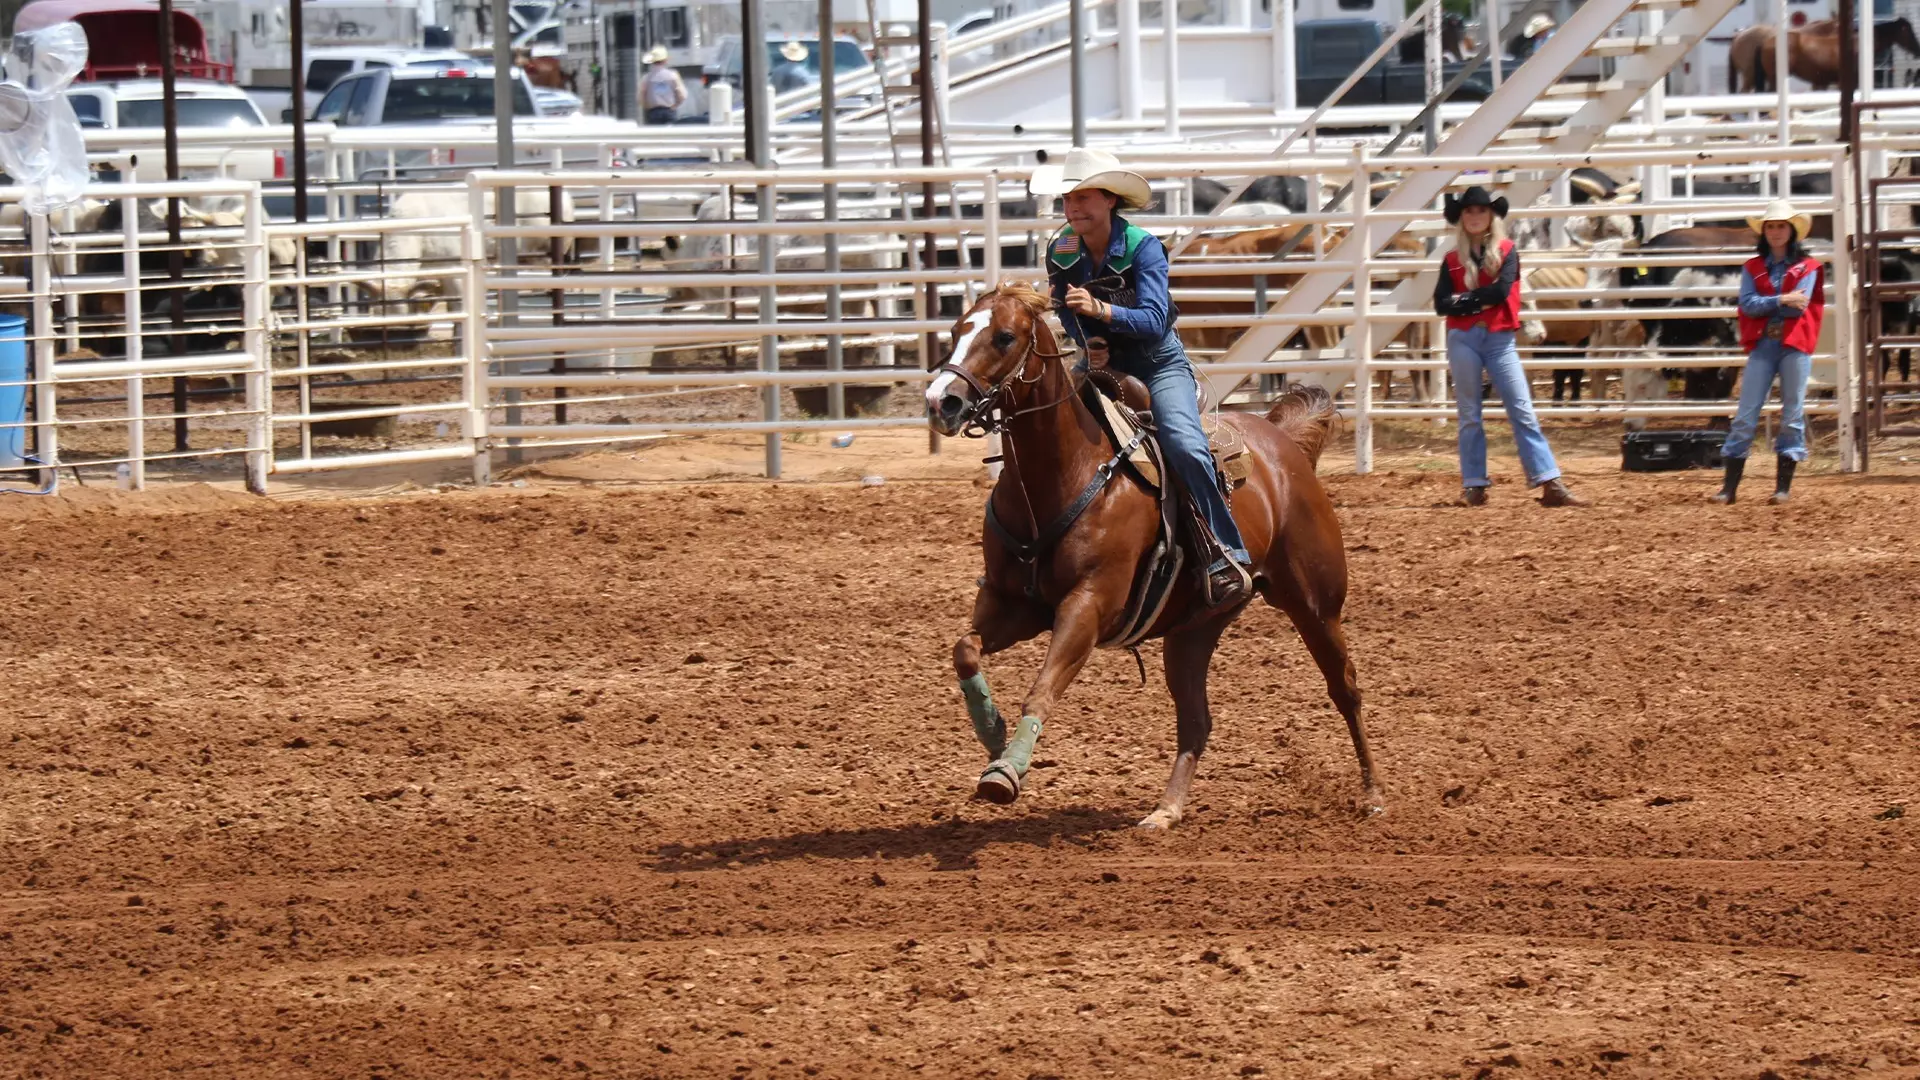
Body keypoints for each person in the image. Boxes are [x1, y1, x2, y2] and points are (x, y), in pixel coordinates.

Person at [1032, 147, 1254, 608]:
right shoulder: (1062, 249)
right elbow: (1062, 308)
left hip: (1158, 363)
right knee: (1046, 428)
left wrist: (1102, 311)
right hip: (1100, 363)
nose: (1073, 207)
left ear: (1110, 200)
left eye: (1084, 197)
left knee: (1184, 443)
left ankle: (1225, 550)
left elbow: (1155, 319)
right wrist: (1084, 336)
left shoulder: (1143, 247)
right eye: (1068, 198)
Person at [1432, 186, 1588, 507]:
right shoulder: (1451, 259)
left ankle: (1548, 479)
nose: (1475, 217)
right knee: (1470, 414)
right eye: (1469, 211)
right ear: (1462, 218)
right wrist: (1472, 302)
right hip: (1466, 338)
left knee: (1521, 410)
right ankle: (1475, 484)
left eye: (1481, 211)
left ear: (1490, 216)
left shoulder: (1507, 251)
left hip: (1497, 338)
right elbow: (1441, 303)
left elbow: (1500, 292)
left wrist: (1466, 301)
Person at [1711, 199, 1825, 506]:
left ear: (1791, 230)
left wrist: (1770, 302)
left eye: (1781, 226)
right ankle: (1732, 488)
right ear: (1765, 231)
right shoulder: (1756, 267)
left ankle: (1777, 488)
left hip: (1789, 344)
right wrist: (1782, 299)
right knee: (1746, 414)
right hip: (1769, 344)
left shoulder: (1807, 267)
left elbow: (1791, 308)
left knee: (1792, 413)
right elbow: (1750, 305)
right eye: (1771, 226)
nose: (1775, 231)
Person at [639, 46, 685, 125]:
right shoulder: (673, 75)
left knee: (655, 136)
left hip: (653, 112)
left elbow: (640, 97)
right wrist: (675, 105)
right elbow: (682, 95)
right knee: (670, 136)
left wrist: (647, 106)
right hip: (669, 111)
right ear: (665, 60)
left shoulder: (646, 78)